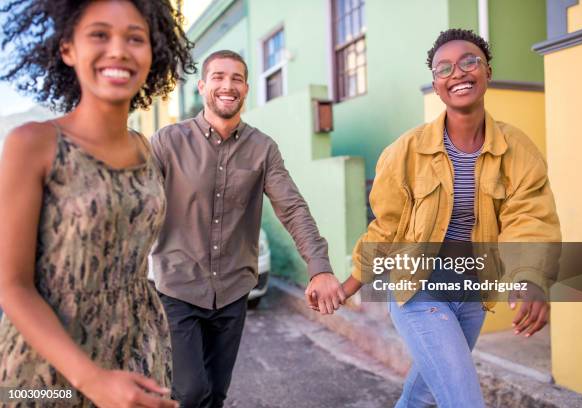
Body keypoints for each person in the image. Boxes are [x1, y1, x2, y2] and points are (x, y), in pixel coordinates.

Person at [338, 29, 561, 408]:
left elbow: (530, 216)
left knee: (422, 395)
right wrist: (349, 285)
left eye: (469, 61)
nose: (458, 73)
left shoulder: (517, 148)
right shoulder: (404, 152)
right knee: (465, 400)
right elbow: (386, 227)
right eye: (444, 68)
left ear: (487, 71)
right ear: (437, 86)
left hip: (472, 295)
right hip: (417, 290)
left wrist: (531, 278)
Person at [0, 1, 194, 406]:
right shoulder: (32, 144)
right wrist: (91, 379)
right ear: (68, 48)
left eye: (135, 38)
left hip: (139, 351)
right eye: (99, 35)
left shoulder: (145, 149)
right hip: (46, 371)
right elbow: (12, 286)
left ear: (153, 53)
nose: (119, 50)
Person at [149, 49, 345, 407]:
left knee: (216, 394)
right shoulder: (168, 142)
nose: (228, 85)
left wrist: (319, 267)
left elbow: (292, 207)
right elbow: (139, 206)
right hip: (177, 288)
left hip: (232, 291)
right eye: (219, 77)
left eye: (236, 78)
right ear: (203, 85)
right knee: (191, 392)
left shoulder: (263, 149)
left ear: (246, 88)